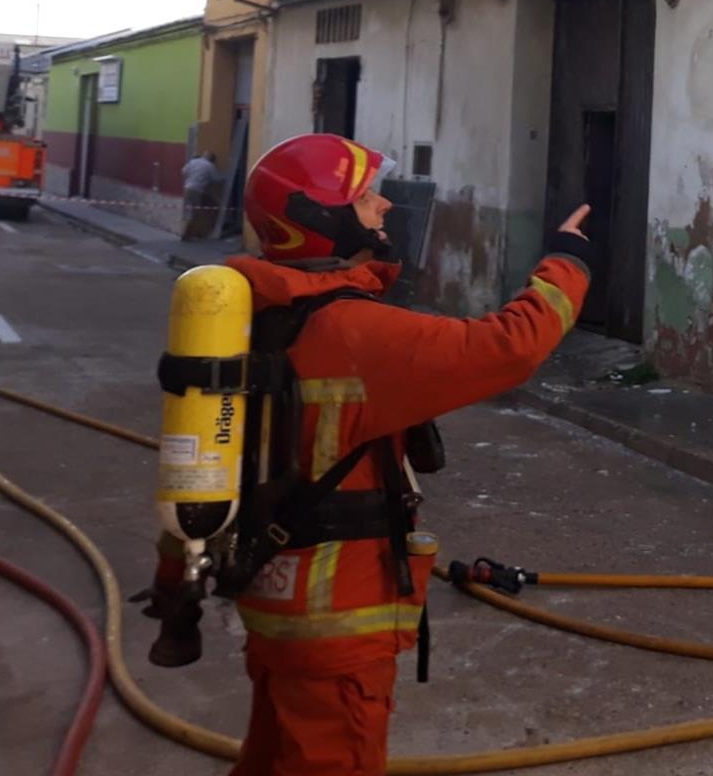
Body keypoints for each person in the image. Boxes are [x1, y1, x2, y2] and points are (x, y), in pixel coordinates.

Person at [147, 132, 592, 775]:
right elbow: (512, 347)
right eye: (363, 197)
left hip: (274, 610)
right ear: (318, 219)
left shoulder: (247, 316)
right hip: (338, 631)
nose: (383, 207)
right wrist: (568, 261)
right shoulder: (356, 332)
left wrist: (171, 589)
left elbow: (191, 466)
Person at [180, 149, 220, 240]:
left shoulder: (193, 162)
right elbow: (215, 179)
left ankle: (186, 232)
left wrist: (190, 178)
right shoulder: (210, 166)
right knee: (194, 213)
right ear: (211, 159)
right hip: (197, 191)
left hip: (187, 188)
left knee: (187, 211)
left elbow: (183, 171)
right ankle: (187, 235)